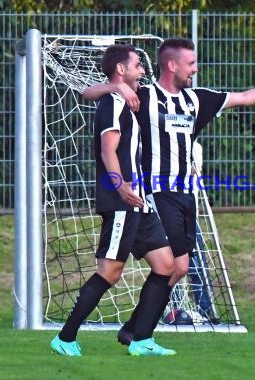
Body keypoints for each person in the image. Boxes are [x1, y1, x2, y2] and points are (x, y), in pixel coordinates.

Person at [82, 38, 255, 342]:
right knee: (171, 265)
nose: (195, 68)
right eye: (190, 63)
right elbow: (88, 93)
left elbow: (246, 97)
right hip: (156, 193)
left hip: (186, 196)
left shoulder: (196, 100)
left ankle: (133, 330)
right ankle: (137, 334)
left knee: (179, 268)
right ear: (172, 65)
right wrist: (117, 87)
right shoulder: (145, 95)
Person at [51, 43, 176, 357]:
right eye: (137, 64)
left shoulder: (134, 96)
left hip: (139, 201)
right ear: (121, 69)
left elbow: (87, 92)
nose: (143, 69)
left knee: (166, 265)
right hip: (122, 201)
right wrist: (120, 186)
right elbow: (108, 150)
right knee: (110, 271)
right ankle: (65, 338)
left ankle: (141, 340)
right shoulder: (113, 102)